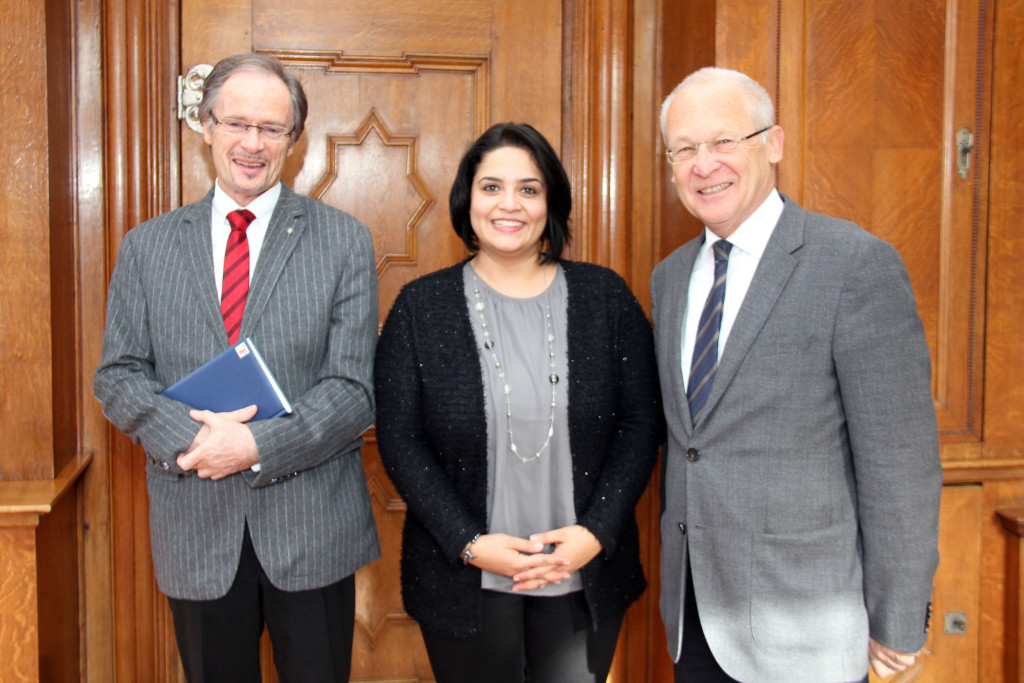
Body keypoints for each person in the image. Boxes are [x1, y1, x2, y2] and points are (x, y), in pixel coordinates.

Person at [93, 53, 380, 682]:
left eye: (272, 129)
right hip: (196, 528)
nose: (252, 143)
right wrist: (198, 443)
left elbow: (353, 388)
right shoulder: (147, 246)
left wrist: (254, 445)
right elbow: (117, 376)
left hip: (312, 529)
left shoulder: (343, 240)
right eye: (236, 123)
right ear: (205, 125)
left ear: (293, 140)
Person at [651, 67, 942, 683]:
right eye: (685, 149)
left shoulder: (854, 265)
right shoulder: (670, 278)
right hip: (694, 615)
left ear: (774, 143)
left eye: (724, 141)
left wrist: (897, 621)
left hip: (805, 628)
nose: (704, 165)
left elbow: (900, 463)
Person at [373, 122, 663, 682]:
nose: (510, 204)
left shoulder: (605, 297)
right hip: (465, 574)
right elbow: (400, 440)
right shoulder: (420, 308)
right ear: (467, 199)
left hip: (581, 570)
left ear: (550, 202)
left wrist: (596, 532)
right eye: (491, 187)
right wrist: (469, 542)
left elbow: (640, 422)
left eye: (529, 189)